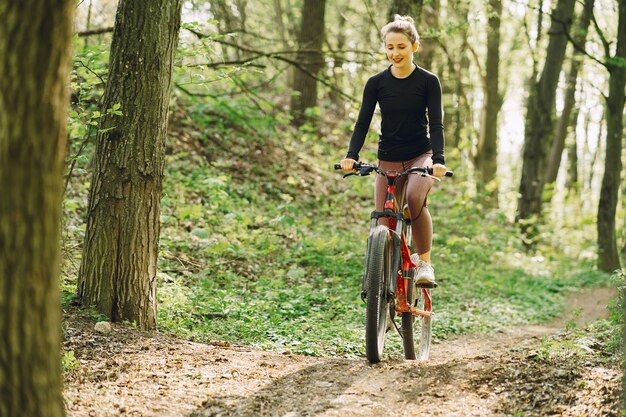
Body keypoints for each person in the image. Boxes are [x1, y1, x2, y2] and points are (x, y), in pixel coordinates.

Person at [339, 14, 447, 286]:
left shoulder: (428, 81)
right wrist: (352, 155)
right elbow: (362, 122)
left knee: (413, 197)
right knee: (384, 222)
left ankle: (424, 263)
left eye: (401, 46)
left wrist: (439, 159)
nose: (395, 53)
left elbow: (436, 123)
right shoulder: (376, 83)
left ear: (414, 46)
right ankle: (384, 295)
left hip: (420, 156)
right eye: (390, 47)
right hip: (387, 157)